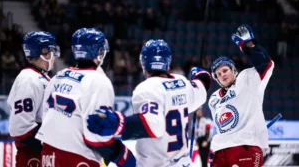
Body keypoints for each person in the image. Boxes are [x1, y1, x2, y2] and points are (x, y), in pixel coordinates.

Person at [87, 39, 212, 167]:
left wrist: (118, 124)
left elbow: (154, 125)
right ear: (168, 63)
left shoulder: (146, 88)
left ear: (143, 63)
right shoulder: (182, 83)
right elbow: (203, 85)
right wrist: (199, 75)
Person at [35, 28, 136, 167]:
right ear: (100, 52)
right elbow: (95, 134)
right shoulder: (99, 82)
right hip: (77, 156)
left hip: (48, 154)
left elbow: (45, 116)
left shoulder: (58, 76)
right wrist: (122, 156)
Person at [208, 25, 274, 167]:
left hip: (247, 146)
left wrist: (249, 44)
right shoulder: (213, 99)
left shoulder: (247, 79)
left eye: (225, 70)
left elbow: (266, 64)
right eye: (218, 74)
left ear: (234, 70)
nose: (222, 75)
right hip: (221, 150)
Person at [7, 31, 60, 167]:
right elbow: (20, 127)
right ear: (44, 52)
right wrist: (50, 144)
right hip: (32, 156)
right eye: (52, 51)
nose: (54, 56)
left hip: (41, 154)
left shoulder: (42, 77)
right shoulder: (28, 80)